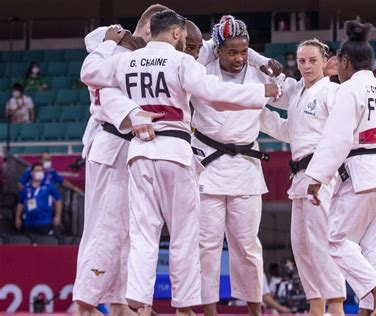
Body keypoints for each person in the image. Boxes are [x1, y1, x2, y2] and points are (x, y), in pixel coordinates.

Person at [80, 9, 281, 316]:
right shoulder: (181, 61)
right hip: (174, 150)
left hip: (139, 152)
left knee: (143, 234)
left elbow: (89, 73)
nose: (187, 42)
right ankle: (185, 306)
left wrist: (108, 44)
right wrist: (259, 91)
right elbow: (214, 94)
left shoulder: (124, 60)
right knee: (184, 235)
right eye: (184, 37)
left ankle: (139, 300)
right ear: (175, 33)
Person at [305, 19, 376, 316]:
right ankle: (372, 310)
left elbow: (336, 139)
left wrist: (317, 177)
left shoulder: (349, 90)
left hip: (361, 170)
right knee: (373, 248)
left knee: (337, 240)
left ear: (346, 61)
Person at [72, 4, 170, 316]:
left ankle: (122, 304)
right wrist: (113, 40)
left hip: (137, 149)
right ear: (146, 31)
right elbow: (94, 45)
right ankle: (84, 304)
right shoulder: (113, 51)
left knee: (134, 230)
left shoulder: (142, 59)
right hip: (112, 145)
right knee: (106, 228)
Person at [191, 15, 279, 316]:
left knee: (246, 245)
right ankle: (209, 310)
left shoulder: (261, 74)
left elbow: (281, 98)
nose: (239, 58)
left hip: (245, 167)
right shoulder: (200, 72)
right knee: (206, 245)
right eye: (232, 52)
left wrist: (261, 60)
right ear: (217, 51)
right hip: (208, 165)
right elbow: (200, 47)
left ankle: (256, 308)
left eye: (244, 51)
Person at [260, 38, 346, 316]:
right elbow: (289, 133)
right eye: (301, 61)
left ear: (326, 62)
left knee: (322, 243)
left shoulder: (332, 92)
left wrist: (325, 174)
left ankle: (337, 307)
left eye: (312, 60)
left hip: (321, 175)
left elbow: (341, 136)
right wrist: (258, 114)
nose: (306, 66)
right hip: (298, 176)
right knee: (301, 246)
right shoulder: (297, 95)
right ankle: (316, 306)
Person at [15, 162, 63, 235]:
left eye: (41, 170)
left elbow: (58, 200)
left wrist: (57, 216)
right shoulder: (26, 188)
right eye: (37, 170)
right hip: (28, 222)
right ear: (32, 173)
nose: (39, 172)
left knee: (45, 243)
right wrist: (17, 218)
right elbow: (20, 203)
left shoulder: (49, 186)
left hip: (45, 221)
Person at [18, 153, 83, 193]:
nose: (48, 162)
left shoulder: (52, 172)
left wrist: (74, 188)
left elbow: (63, 181)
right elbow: (20, 184)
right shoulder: (30, 171)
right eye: (46, 160)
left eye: (49, 160)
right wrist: (28, 194)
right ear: (40, 160)